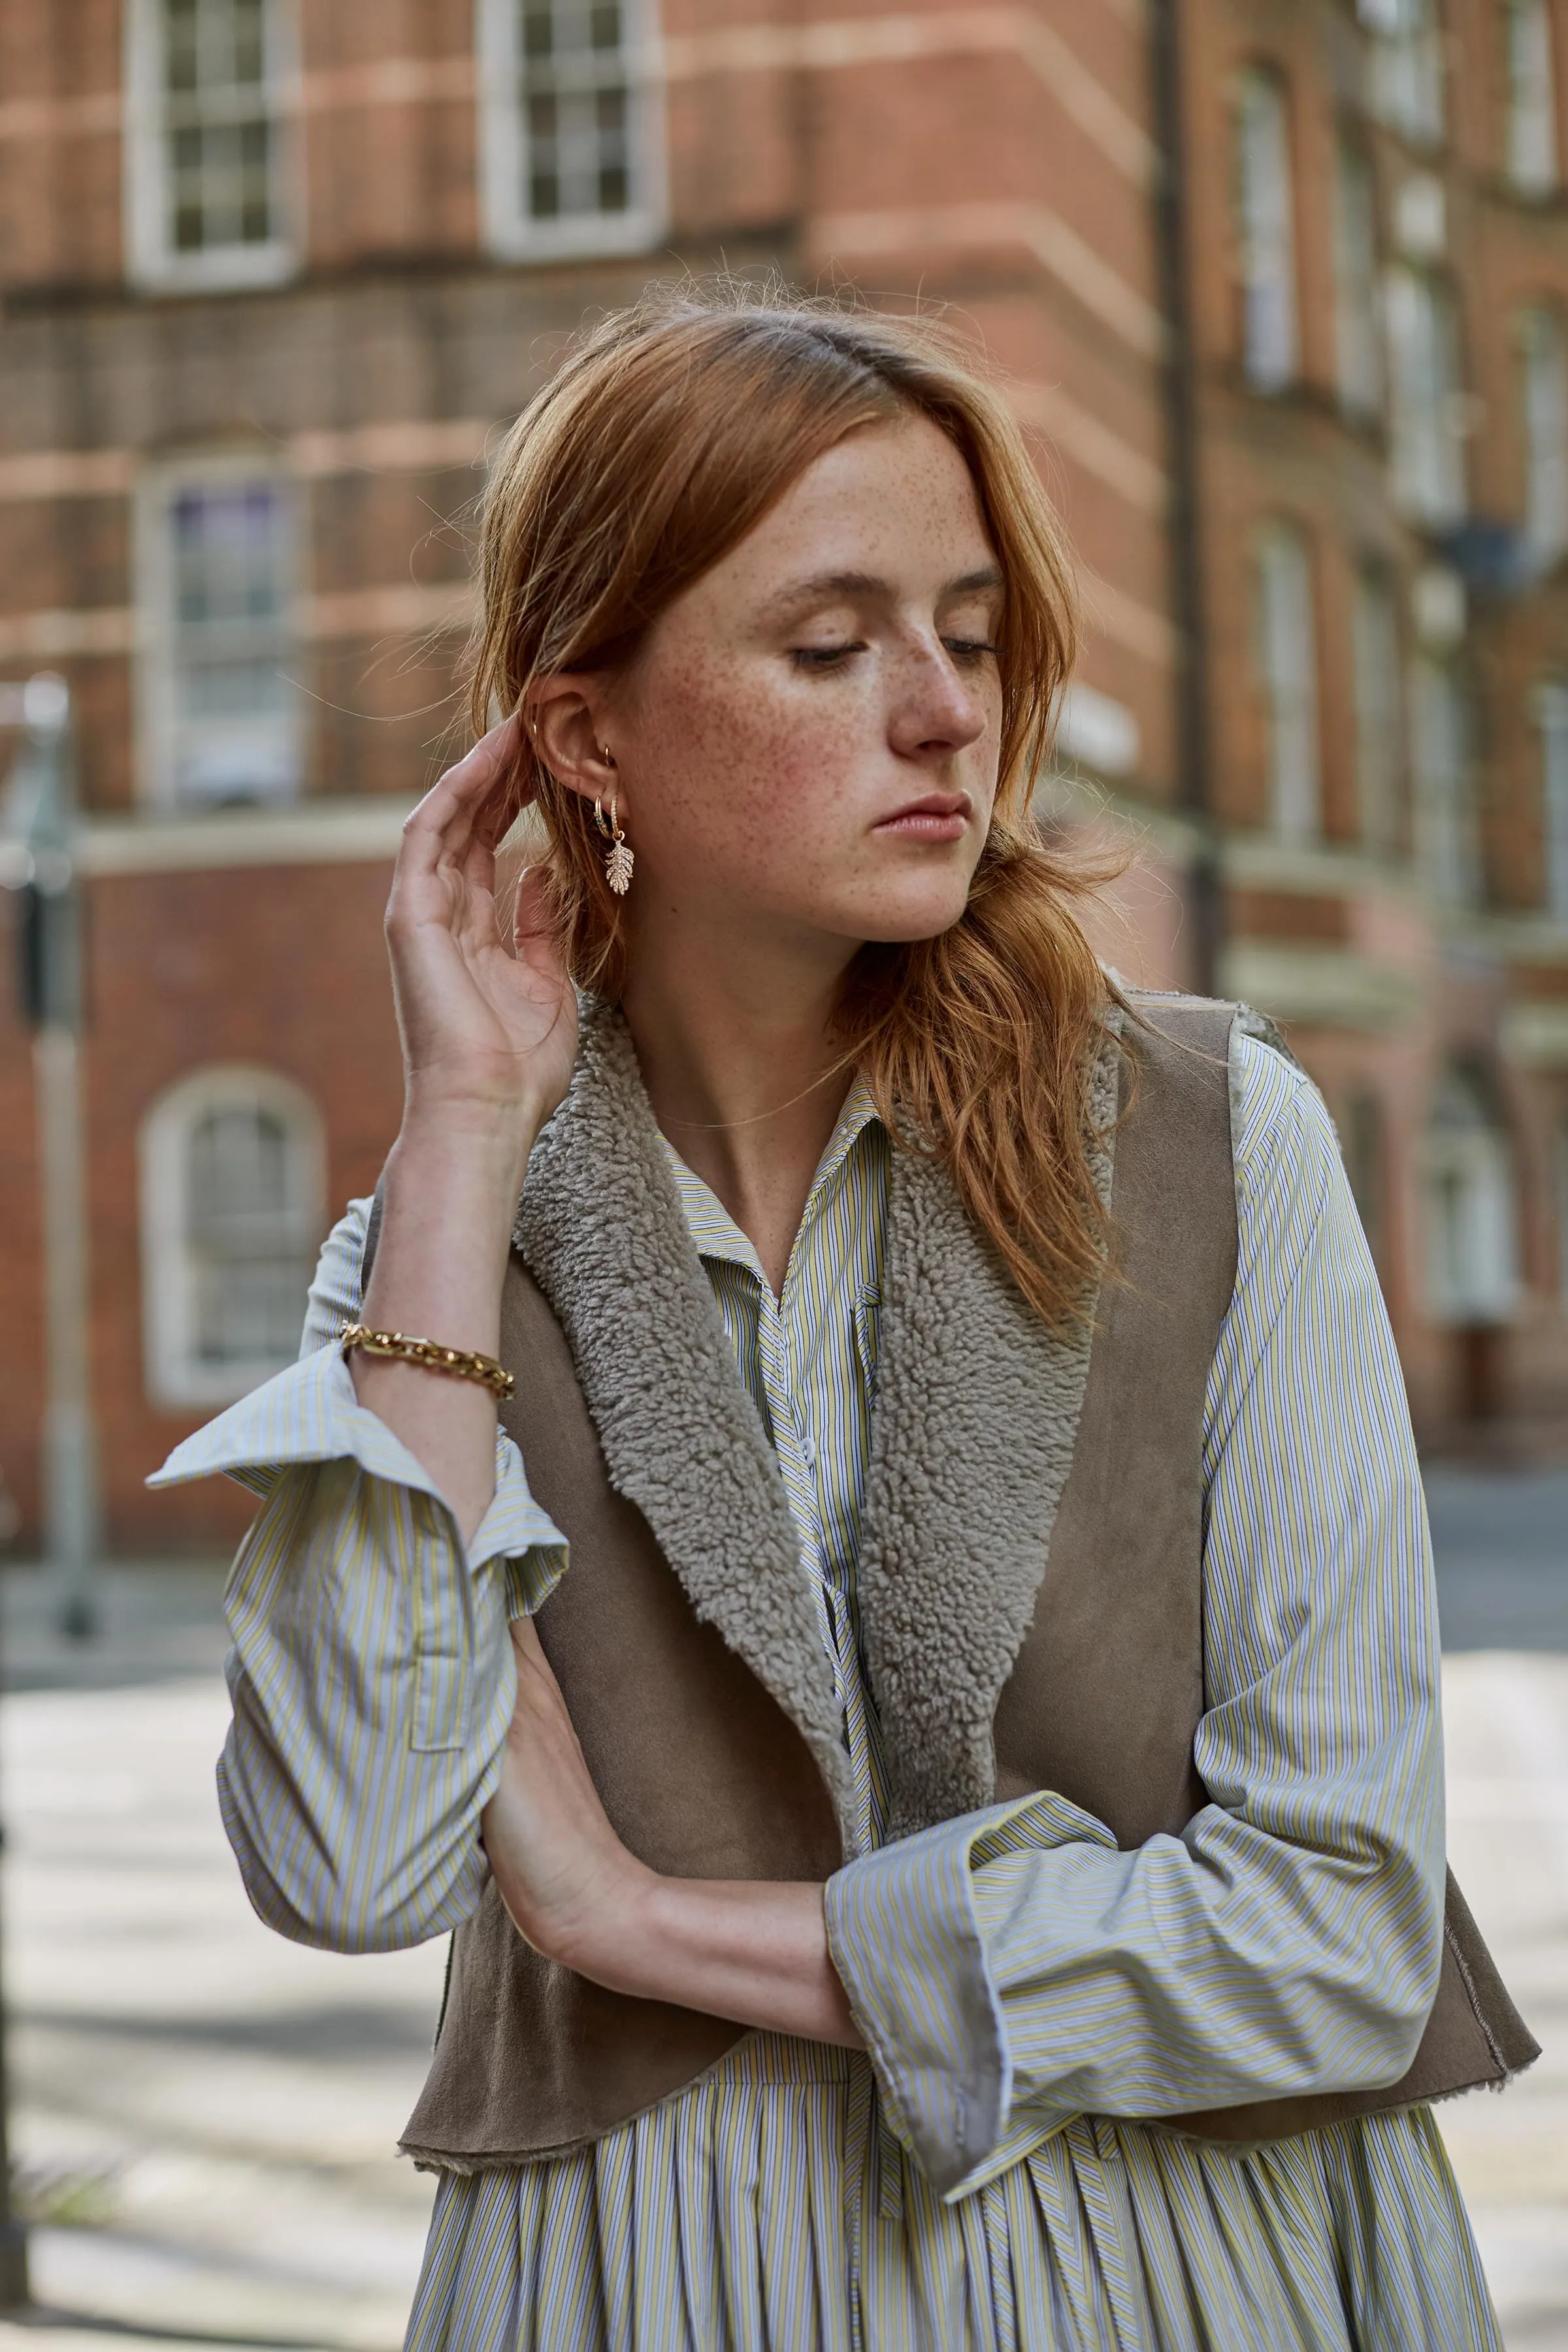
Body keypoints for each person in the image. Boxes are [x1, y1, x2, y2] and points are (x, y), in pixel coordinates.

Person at [154, 286, 1529, 2351]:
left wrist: (637, 1920)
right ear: (584, 733)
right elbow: (354, 1861)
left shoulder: (1213, 1139)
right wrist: (457, 1129)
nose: (944, 712)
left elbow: (1340, 1938)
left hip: (1187, 2278)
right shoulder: (440, 1253)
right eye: (830, 645)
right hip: (642, 2288)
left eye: (971, 637)